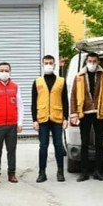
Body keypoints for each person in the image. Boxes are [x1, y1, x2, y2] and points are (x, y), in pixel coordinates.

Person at [70, 52, 103, 182]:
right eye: (90, 61)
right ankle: (84, 172)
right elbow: (73, 95)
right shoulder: (79, 76)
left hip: (99, 113)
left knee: (99, 144)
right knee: (84, 143)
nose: (92, 63)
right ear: (86, 61)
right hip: (84, 113)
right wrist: (73, 114)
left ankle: (98, 172)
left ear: (98, 62)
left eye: (94, 61)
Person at [32, 55, 69, 183]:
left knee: (58, 145)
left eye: (50, 63)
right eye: (46, 63)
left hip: (57, 118)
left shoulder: (61, 81)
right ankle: (42, 173)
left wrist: (66, 118)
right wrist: (34, 120)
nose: (48, 65)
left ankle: (60, 172)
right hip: (42, 119)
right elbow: (33, 102)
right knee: (43, 146)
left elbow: (65, 100)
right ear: (42, 64)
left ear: (54, 65)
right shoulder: (37, 81)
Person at [0, 62, 24, 183]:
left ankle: (12, 173)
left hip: (12, 125)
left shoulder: (15, 87)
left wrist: (20, 122)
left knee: (11, 150)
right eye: (1, 70)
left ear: (10, 72)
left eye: (6, 70)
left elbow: (20, 106)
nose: (4, 73)